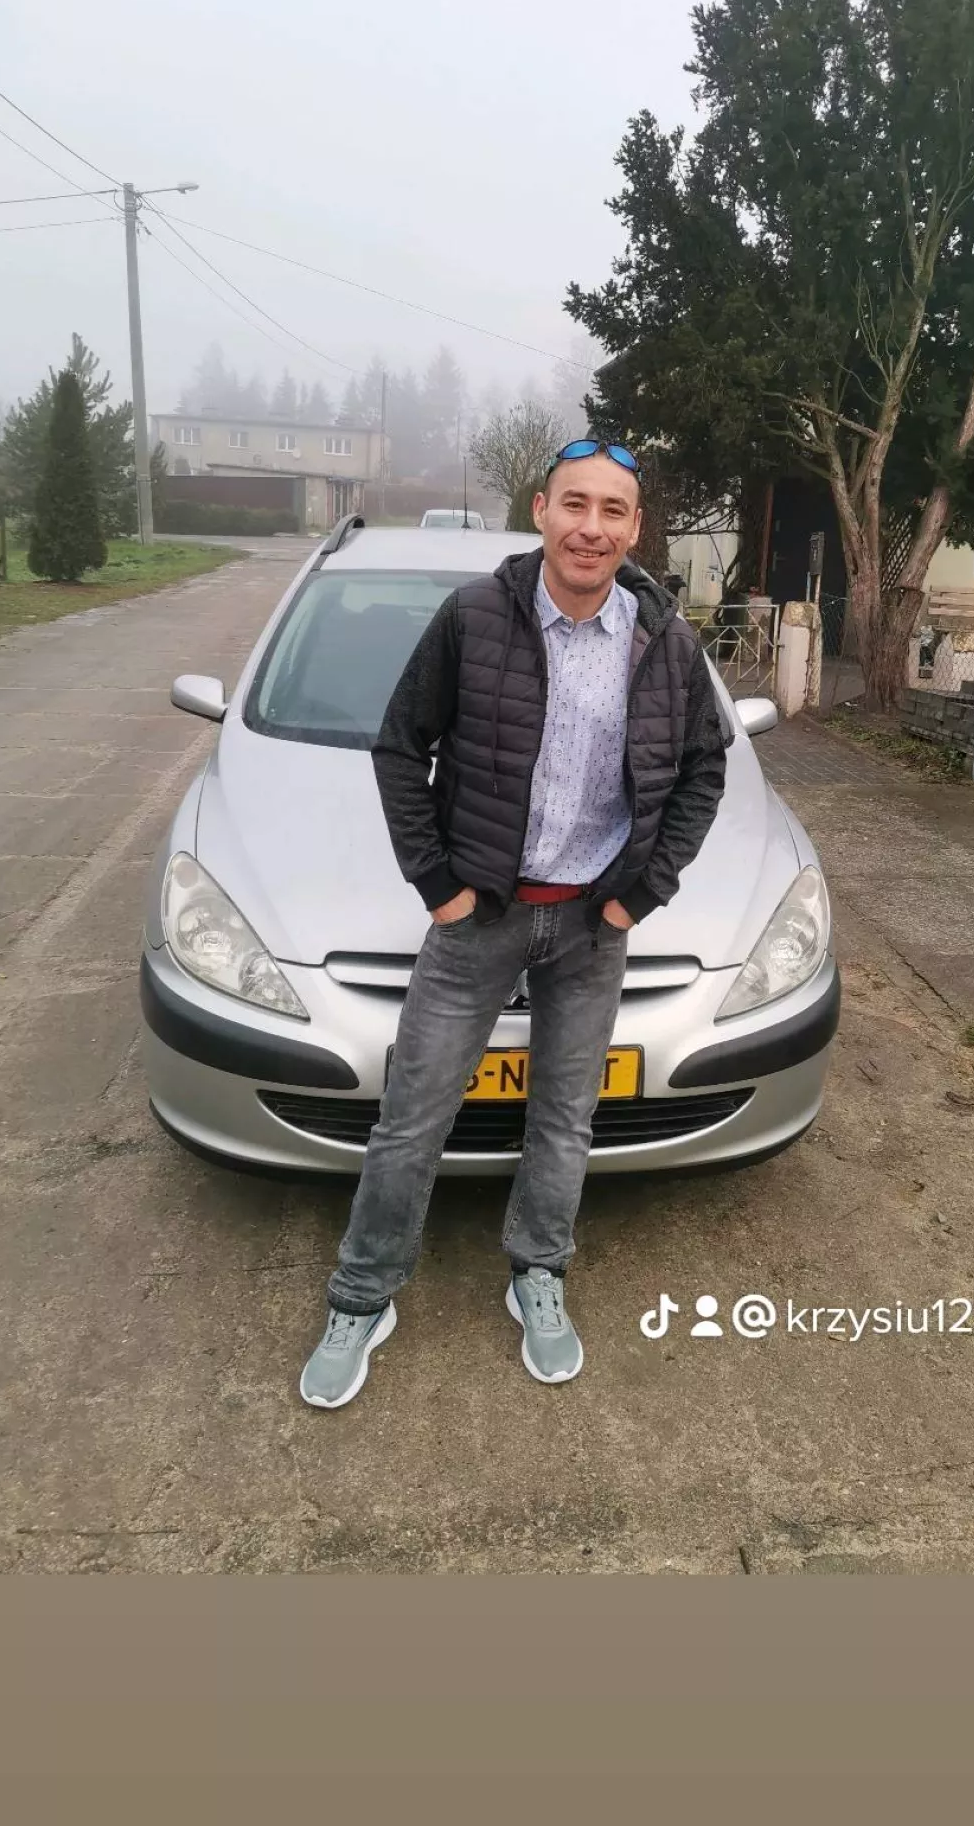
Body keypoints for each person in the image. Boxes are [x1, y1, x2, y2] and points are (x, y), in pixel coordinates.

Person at [300, 439, 728, 1407]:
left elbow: (705, 769)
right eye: (574, 503)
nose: (590, 527)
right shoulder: (474, 617)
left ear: (635, 528)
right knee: (411, 1118)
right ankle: (362, 1294)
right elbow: (399, 746)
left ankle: (538, 1268)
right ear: (540, 510)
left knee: (565, 1120)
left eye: (612, 510)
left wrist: (640, 894)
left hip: (591, 926)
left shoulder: (665, 642)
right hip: (479, 921)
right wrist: (439, 886)